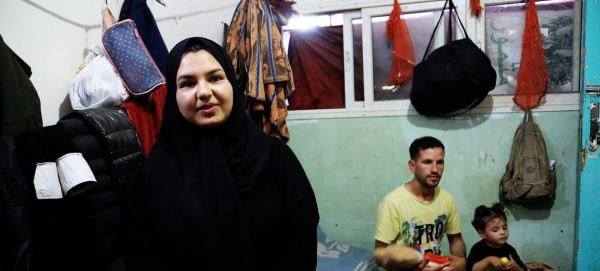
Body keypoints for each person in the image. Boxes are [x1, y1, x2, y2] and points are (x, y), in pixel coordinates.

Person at [125, 37, 319, 270]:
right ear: (173, 96)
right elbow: (140, 253)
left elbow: (300, 240)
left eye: (215, 78)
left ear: (232, 84)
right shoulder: (154, 174)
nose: (204, 92)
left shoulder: (276, 159)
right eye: (187, 83)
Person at [374, 136, 466, 271]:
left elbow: (456, 240)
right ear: (412, 166)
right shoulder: (393, 202)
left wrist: (461, 261)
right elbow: (380, 255)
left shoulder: (447, 199)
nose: (435, 169)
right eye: (427, 162)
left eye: (440, 162)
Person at [466, 203, 526, 271]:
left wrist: (515, 267)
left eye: (504, 227)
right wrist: (488, 260)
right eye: (495, 230)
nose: (503, 232)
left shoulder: (510, 250)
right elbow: (470, 269)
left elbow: (523, 269)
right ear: (482, 233)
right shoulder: (477, 249)